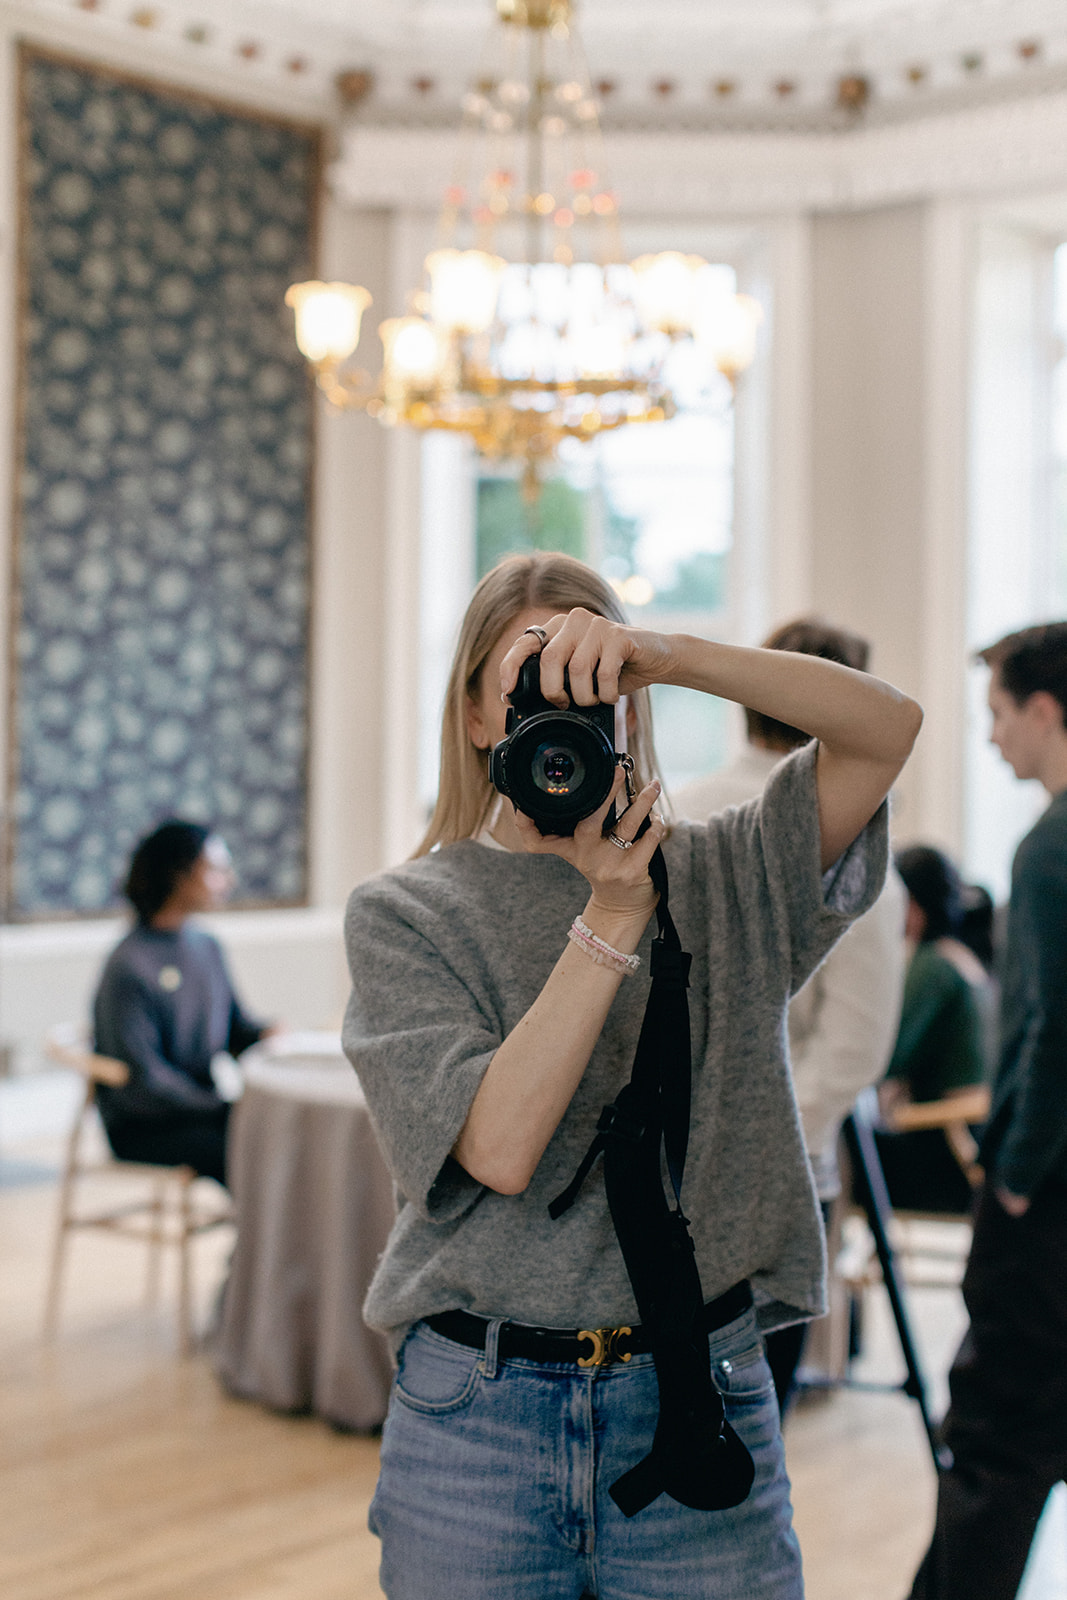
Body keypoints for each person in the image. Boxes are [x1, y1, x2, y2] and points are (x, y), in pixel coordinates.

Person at [342, 552, 921, 1599]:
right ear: (476, 716)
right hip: (480, 1418)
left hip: (697, 1389)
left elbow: (885, 727)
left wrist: (661, 654)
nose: (560, 702)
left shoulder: (727, 870)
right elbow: (499, 1148)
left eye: (588, 680)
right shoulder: (406, 913)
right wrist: (610, 916)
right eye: (528, 675)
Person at [674, 617, 907, 1411]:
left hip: (657, 1165)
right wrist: (772, 1137)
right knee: (748, 1425)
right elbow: (856, 1043)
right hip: (775, 1177)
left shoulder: (671, 809)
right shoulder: (852, 844)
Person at [908, 621, 1067, 1600]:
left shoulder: (1048, 846)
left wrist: (1010, 1176)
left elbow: (1050, 1029)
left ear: (1044, 710)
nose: (992, 737)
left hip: (1043, 1203)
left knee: (992, 1444)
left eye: (997, 714)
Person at [92, 819, 271, 1188]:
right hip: (145, 1127)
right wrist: (221, 1106)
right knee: (255, 1151)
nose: (229, 881)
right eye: (217, 870)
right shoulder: (129, 965)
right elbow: (143, 1083)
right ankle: (259, 1247)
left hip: (201, 1110)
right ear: (180, 876)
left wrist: (270, 1035)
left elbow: (236, 1032)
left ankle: (262, 1246)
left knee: (280, 1141)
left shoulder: (207, 947)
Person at [875, 845, 991, 1215]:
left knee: (838, 1148)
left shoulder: (932, 968)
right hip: (973, 1139)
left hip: (944, 1145)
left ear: (909, 903)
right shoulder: (964, 959)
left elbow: (885, 1059)